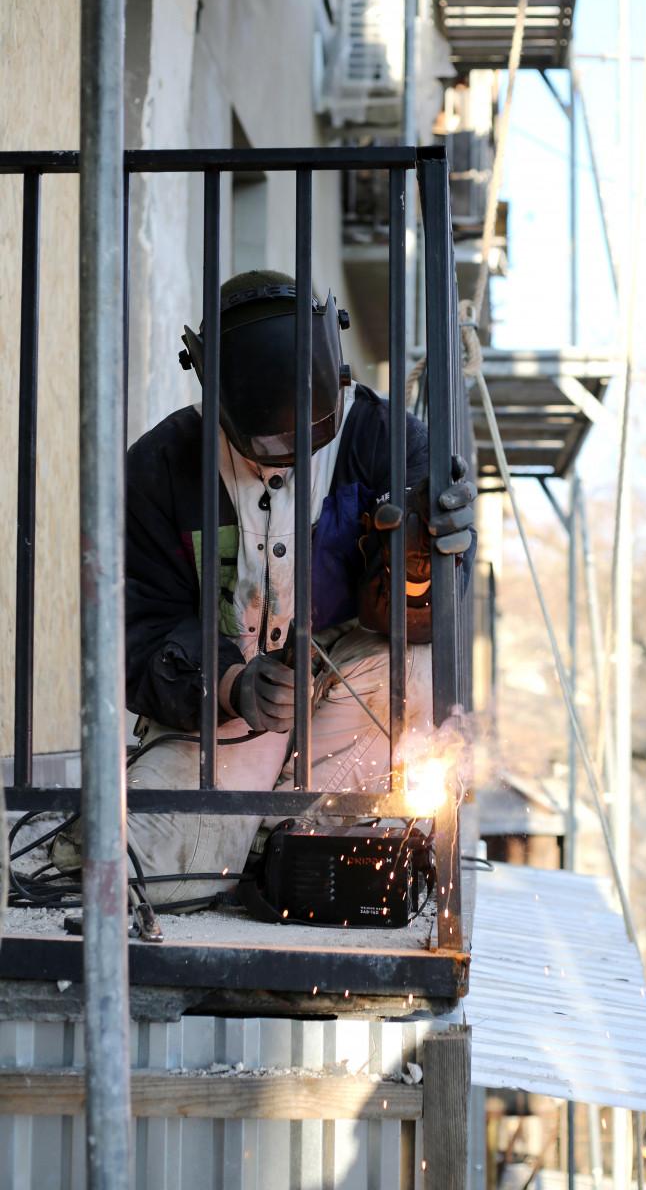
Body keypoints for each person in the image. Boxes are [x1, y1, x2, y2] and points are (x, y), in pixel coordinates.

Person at [120, 269, 475, 909]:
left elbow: (429, 625)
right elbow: (137, 632)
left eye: (312, 430)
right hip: (221, 714)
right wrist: (230, 684)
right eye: (268, 443)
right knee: (139, 876)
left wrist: (429, 562)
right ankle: (239, 844)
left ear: (335, 372)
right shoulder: (162, 468)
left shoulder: (388, 443)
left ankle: (297, 843)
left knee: (413, 673)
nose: (291, 452)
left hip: (345, 697)